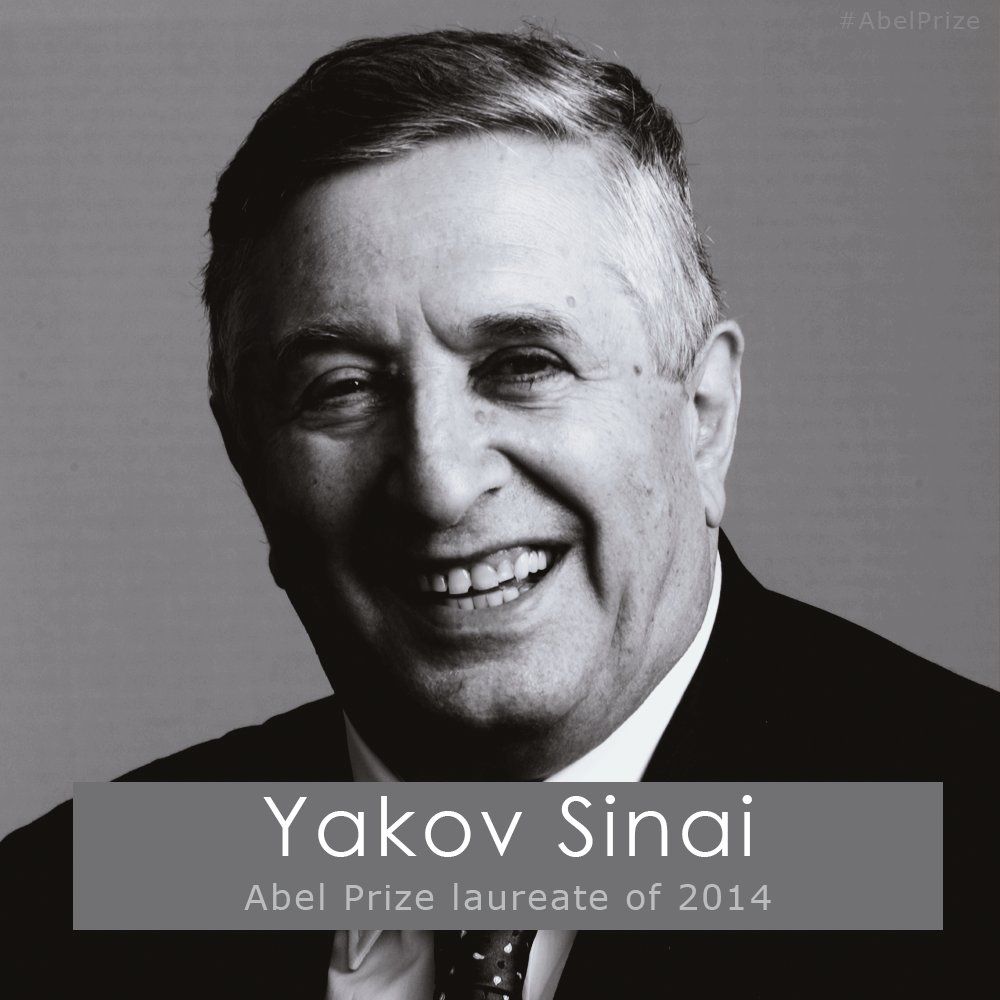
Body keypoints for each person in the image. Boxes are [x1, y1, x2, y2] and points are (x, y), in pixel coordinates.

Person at [2, 27, 997, 999]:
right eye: (341, 387)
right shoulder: (54, 915)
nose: (438, 484)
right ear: (244, 452)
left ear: (702, 414)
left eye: (524, 365)